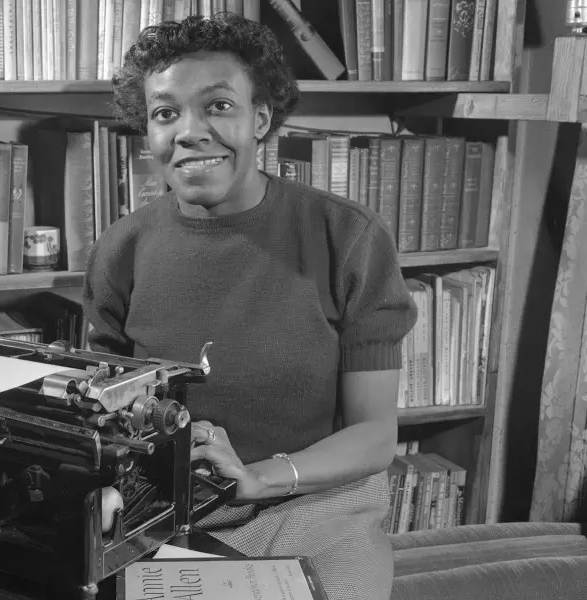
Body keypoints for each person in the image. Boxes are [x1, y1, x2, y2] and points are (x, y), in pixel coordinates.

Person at [82, 12, 419, 600]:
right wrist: (110, 482)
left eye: (217, 106)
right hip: (166, 511)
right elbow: (101, 416)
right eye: (165, 113)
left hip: (315, 505)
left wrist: (259, 478)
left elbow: (373, 435)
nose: (189, 131)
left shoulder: (349, 237)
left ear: (260, 119)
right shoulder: (121, 249)